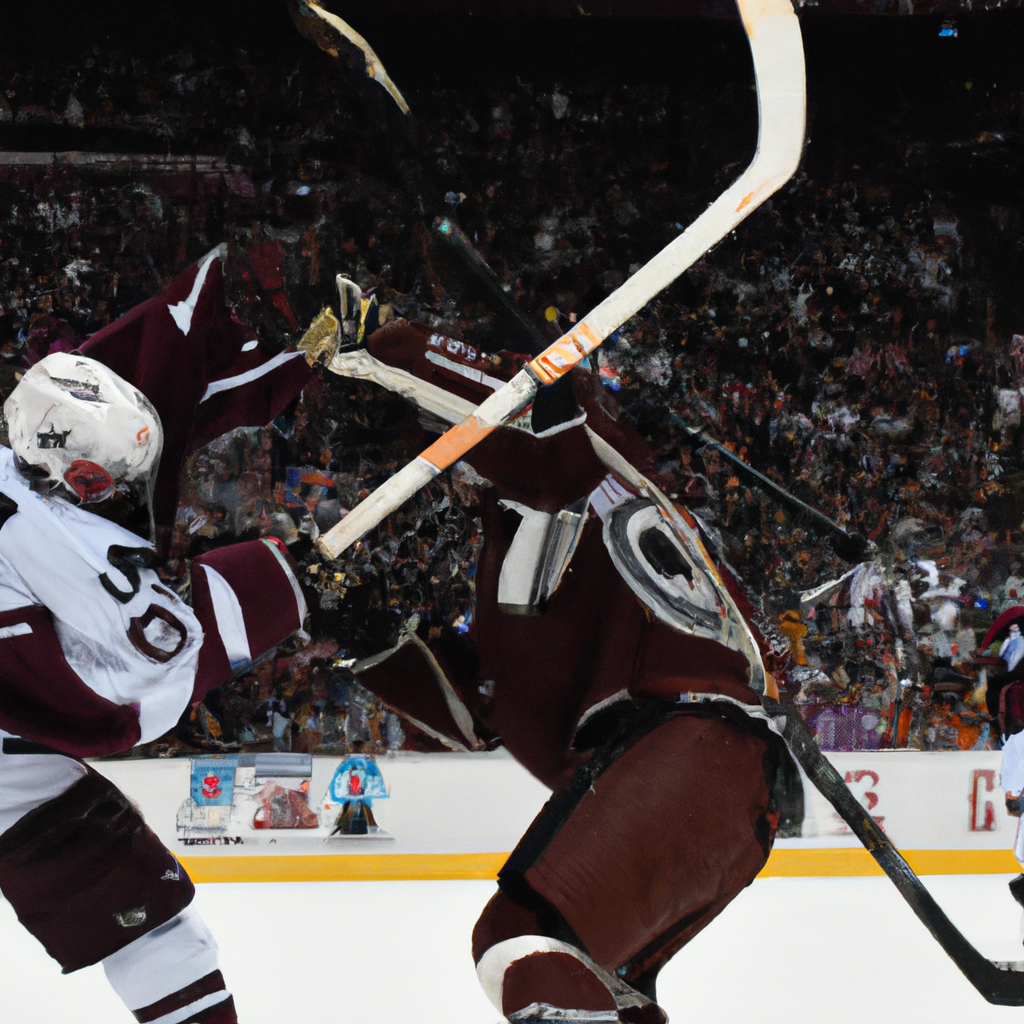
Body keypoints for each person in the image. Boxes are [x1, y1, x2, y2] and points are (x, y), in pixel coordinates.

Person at [329, 318, 800, 1024]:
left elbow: (538, 413)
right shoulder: (544, 553)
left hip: (688, 745)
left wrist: (384, 342)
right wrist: (365, 639)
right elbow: (488, 714)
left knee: (521, 937)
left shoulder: (590, 472)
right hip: (711, 788)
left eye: (445, 442)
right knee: (597, 983)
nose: (447, 465)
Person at [0, 252, 310, 1024]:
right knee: (156, 934)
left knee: (147, 922)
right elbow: (161, 655)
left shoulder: (29, 463)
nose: (120, 494)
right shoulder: (49, 528)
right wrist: (283, 583)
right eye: (101, 481)